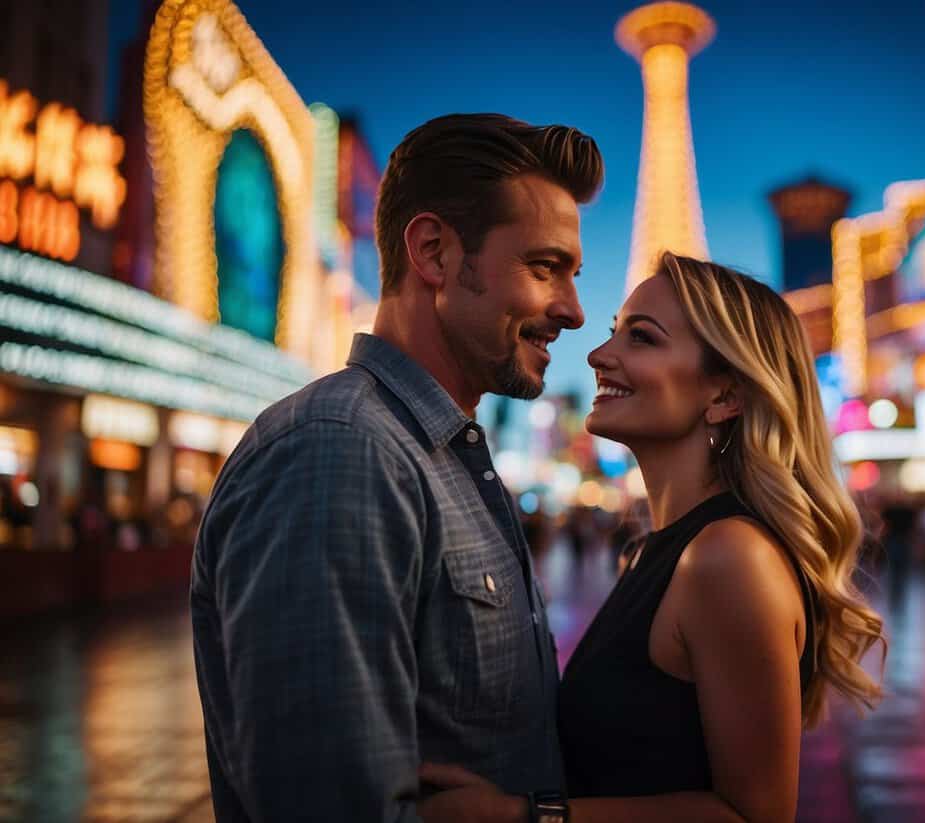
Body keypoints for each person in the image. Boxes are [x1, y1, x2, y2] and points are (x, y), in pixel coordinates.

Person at [190, 113, 603, 822]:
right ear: (435, 252)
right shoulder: (340, 453)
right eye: (544, 267)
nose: (571, 309)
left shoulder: (437, 455)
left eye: (572, 273)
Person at [421, 253, 885, 822]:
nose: (596, 355)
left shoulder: (728, 557)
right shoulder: (659, 550)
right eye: (614, 332)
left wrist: (524, 816)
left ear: (724, 396)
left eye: (641, 338)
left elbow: (755, 815)